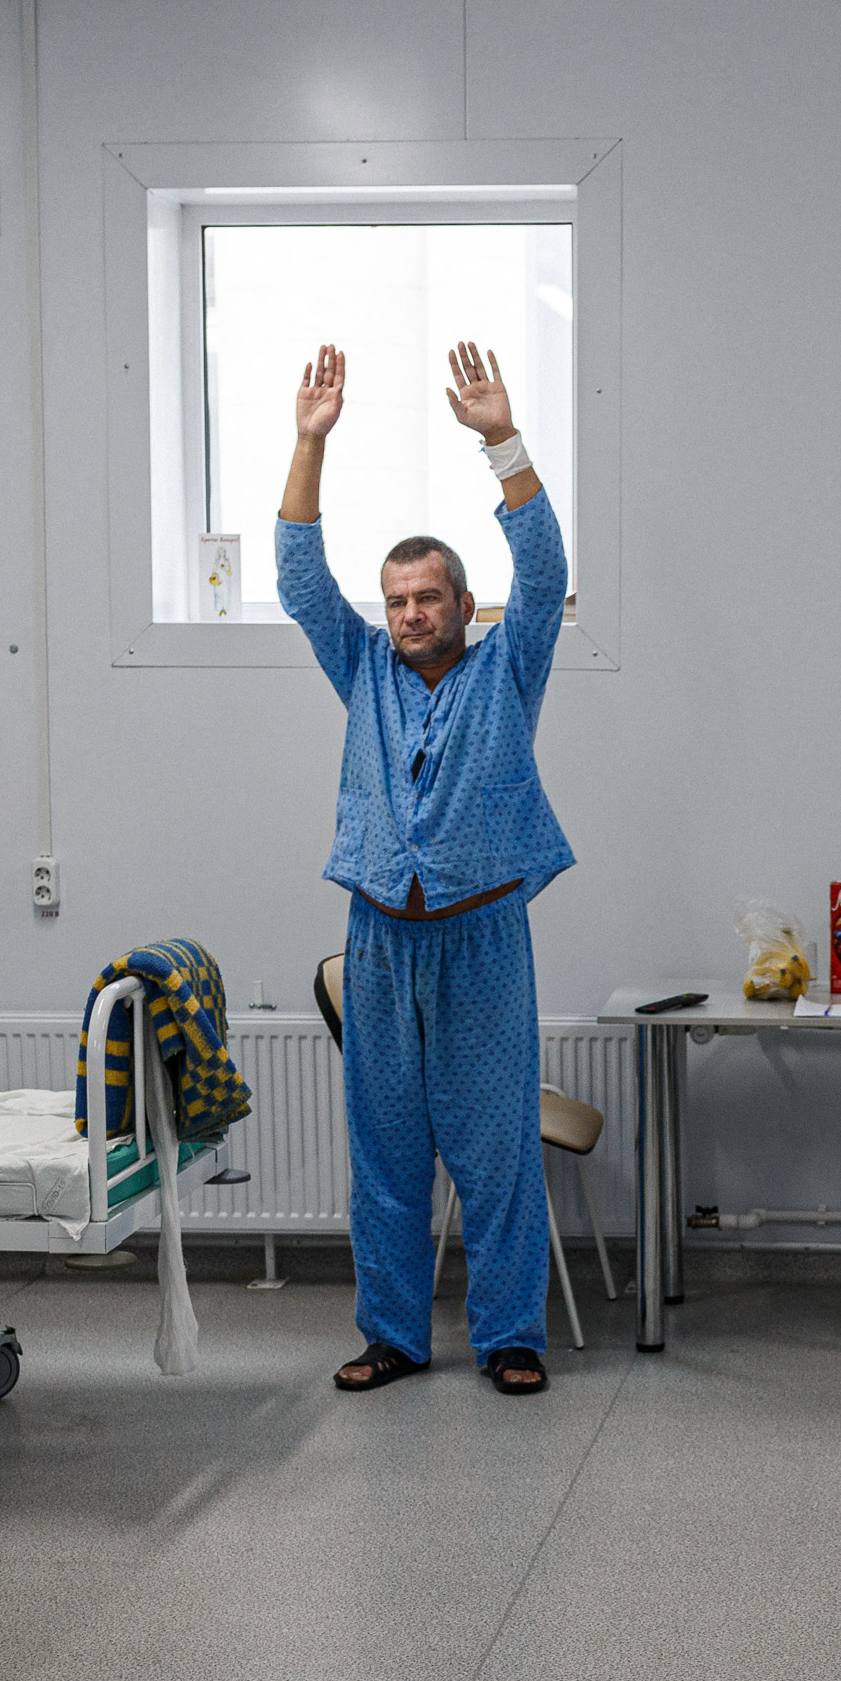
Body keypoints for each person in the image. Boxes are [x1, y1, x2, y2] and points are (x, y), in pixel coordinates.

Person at [277, 337, 569, 1396]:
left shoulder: (508, 668)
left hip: (481, 937)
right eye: (397, 600)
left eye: (428, 598)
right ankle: (393, 1334)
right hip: (378, 941)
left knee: (495, 1151)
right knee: (388, 1153)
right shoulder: (360, 667)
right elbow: (299, 580)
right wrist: (310, 442)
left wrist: (503, 440)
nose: (410, 614)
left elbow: (546, 574)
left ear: (461, 603)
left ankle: (510, 1337)